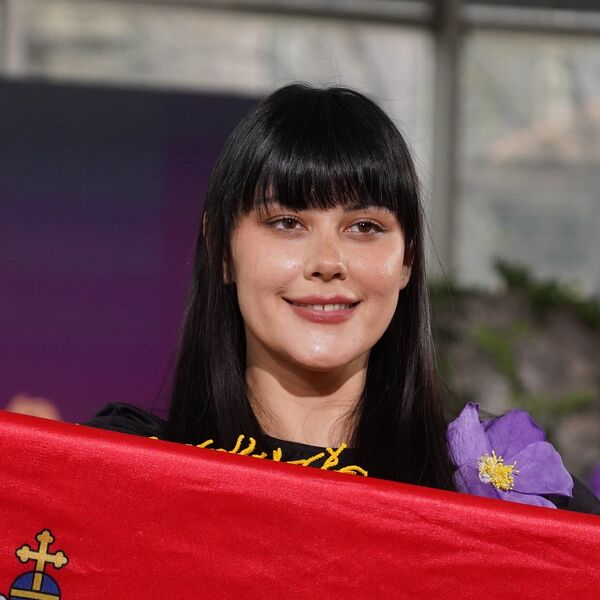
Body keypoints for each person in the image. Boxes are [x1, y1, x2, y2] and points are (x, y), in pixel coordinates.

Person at [86, 82, 599, 515]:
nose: (328, 261)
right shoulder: (116, 474)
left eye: (365, 227)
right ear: (222, 249)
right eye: (287, 222)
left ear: (407, 260)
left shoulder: (509, 495)